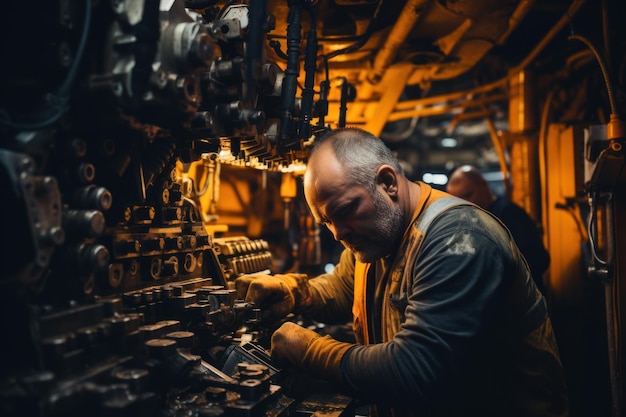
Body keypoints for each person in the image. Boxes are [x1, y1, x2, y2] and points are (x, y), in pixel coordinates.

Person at [235, 127, 569, 417]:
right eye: (327, 221)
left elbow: (417, 371)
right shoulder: (378, 236)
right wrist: (293, 291)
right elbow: (342, 287)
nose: (337, 233)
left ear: (387, 183)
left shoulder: (459, 238)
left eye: (346, 210)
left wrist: (309, 350)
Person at [446, 164, 551, 294]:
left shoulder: (508, 214)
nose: (465, 205)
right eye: (457, 201)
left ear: (483, 184)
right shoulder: (471, 221)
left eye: (468, 195)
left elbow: (538, 260)